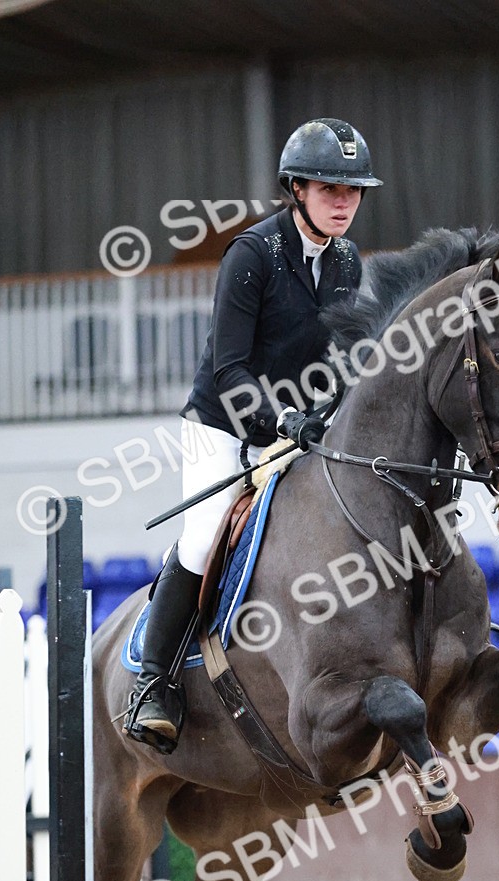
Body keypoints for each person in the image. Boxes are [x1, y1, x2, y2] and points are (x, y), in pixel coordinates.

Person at [124, 117, 383, 753]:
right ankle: (153, 681)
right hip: (224, 424)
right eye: (330, 189)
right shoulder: (252, 255)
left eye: (352, 191)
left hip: (295, 426)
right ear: (296, 189)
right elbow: (229, 367)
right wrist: (279, 422)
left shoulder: (347, 261)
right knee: (207, 531)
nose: (343, 202)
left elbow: (346, 355)